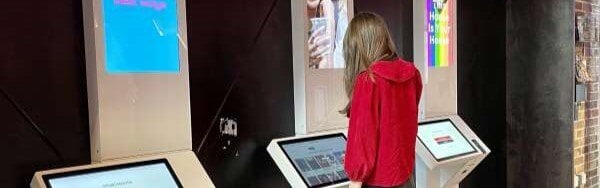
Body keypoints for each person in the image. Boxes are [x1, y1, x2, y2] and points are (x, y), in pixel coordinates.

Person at [341, 12, 422, 188]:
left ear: (356, 47)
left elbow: (362, 144)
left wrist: (354, 179)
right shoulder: (412, 74)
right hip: (406, 178)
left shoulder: (368, 80)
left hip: (376, 183)